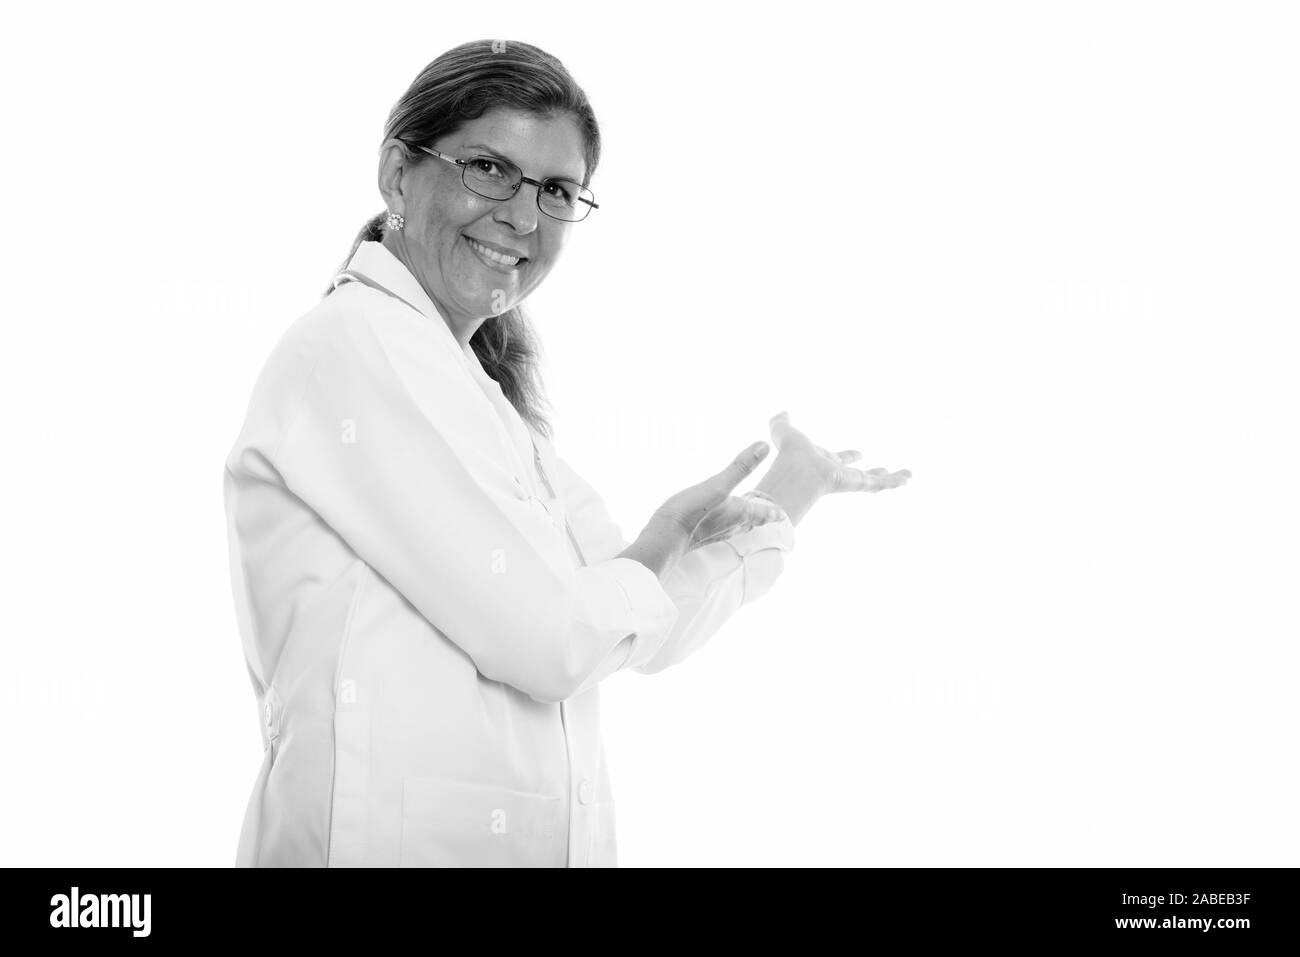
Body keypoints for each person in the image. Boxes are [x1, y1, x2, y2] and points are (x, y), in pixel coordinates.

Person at [222, 39, 910, 868]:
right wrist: (658, 543)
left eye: (556, 189)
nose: (522, 215)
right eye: (488, 168)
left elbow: (631, 627)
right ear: (398, 173)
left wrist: (785, 500)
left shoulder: (476, 398)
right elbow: (554, 638)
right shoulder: (352, 347)